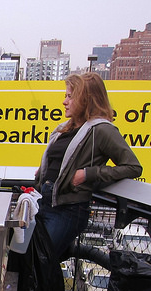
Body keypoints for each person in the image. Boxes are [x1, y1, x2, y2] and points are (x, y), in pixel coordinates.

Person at [34, 72, 143, 263]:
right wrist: (45, 170)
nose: (64, 102)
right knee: (36, 263)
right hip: (45, 202)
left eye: (70, 96)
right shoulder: (66, 128)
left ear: (86, 99)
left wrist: (88, 174)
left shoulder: (102, 130)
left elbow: (132, 167)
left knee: (40, 262)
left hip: (68, 210)